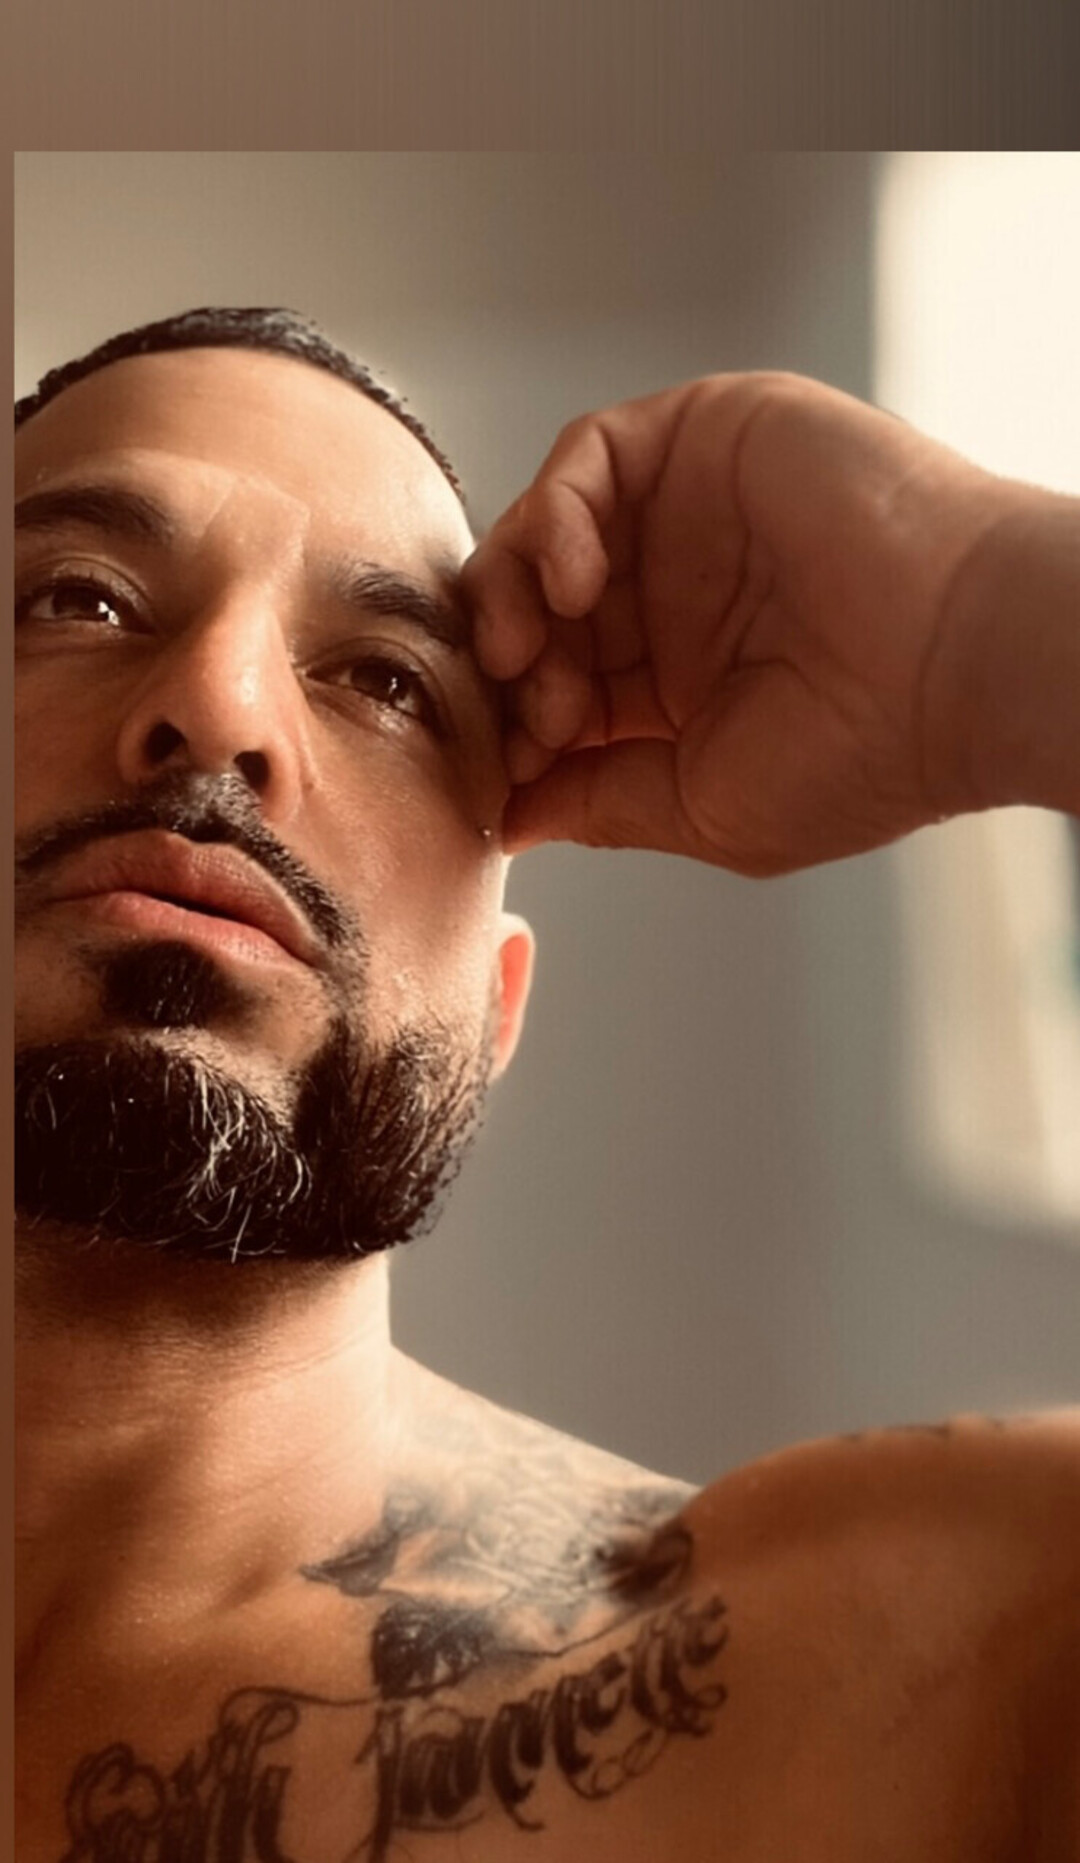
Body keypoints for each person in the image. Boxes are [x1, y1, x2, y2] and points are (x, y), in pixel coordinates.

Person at [14, 307, 1079, 1863]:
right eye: (77, 598)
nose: (224, 707)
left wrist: (991, 625)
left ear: (493, 1011)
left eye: (389, 683)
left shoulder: (888, 1691)